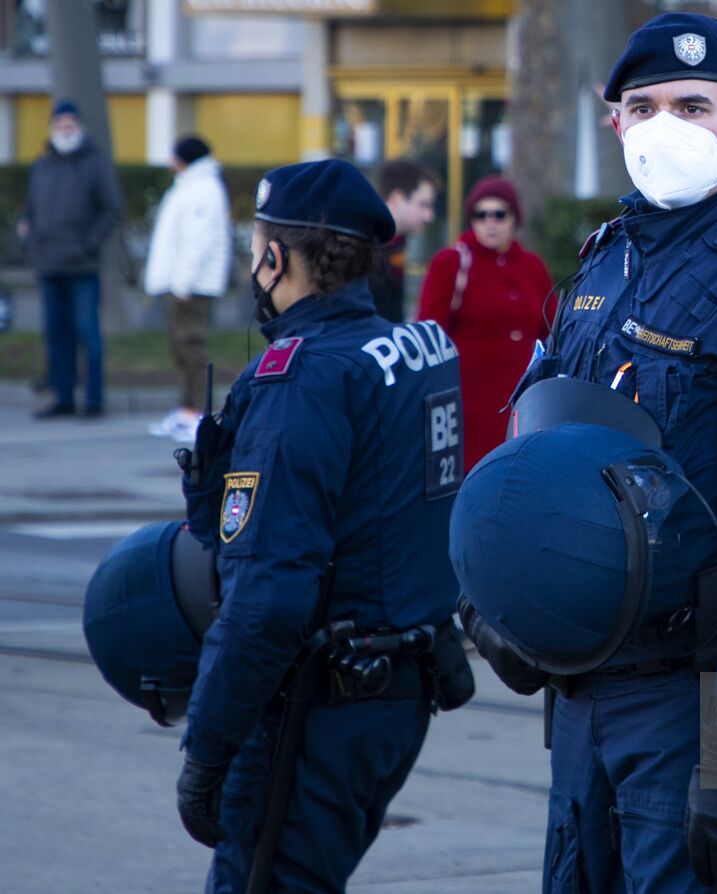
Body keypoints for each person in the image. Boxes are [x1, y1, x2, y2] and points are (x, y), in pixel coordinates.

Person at [459, 13, 717, 891]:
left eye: (693, 106)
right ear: (614, 124)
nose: (664, 127)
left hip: (698, 700)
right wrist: (493, 604)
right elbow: (537, 448)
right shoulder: (603, 267)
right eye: (642, 107)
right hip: (583, 693)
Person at [173, 159, 467, 892]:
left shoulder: (301, 378)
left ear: (275, 257)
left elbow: (266, 598)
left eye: (256, 249)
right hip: (398, 692)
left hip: (319, 708)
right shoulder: (414, 350)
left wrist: (206, 752)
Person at [417, 174, 554, 470]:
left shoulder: (532, 266)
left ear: (514, 219)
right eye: (481, 215)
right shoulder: (452, 263)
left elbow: (551, 329)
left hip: (521, 404)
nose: (489, 222)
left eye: (499, 214)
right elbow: (428, 334)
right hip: (468, 406)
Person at [18, 99, 122, 419]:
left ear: (79, 127)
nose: (65, 129)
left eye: (70, 124)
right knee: (56, 334)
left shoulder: (95, 164)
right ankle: (62, 397)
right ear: (53, 128)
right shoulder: (43, 165)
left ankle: (93, 399)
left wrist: (88, 245)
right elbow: (30, 209)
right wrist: (30, 234)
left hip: (81, 265)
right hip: (48, 265)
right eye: (60, 124)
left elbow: (111, 210)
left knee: (87, 332)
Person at [144, 136, 232, 444]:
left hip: (191, 285)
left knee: (191, 346)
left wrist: (183, 281)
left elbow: (199, 241)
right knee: (181, 349)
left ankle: (198, 411)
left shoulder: (203, 189)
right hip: (182, 282)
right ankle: (186, 409)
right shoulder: (191, 185)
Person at [371, 158, 438, 322]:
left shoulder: (395, 247)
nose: (429, 216)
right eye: (423, 204)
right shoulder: (366, 252)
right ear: (397, 199)